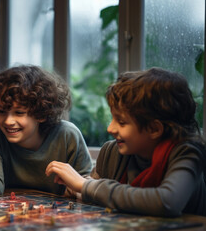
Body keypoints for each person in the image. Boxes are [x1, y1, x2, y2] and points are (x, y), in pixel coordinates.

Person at [46, 67, 206, 217]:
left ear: (154, 129)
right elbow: (90, 195)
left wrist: (85, 186)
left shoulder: (187, 152)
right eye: (112, 118)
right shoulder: (111, 151)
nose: (110, 128)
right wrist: (75, 188)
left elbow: (167, 202)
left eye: (121, 122)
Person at [0, 65, 93, 195]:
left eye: (19, 112)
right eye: (2, 111)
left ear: (41, 114)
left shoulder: (67, 135)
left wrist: (77, 192)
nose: (8, 121)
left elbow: (85, 184)